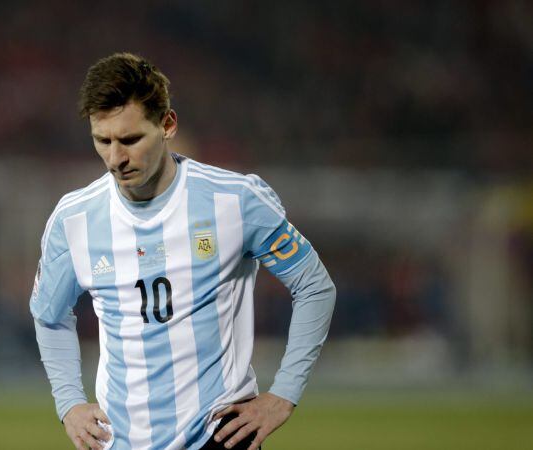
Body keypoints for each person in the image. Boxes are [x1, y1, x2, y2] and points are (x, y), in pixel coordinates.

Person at [30, 52, 336, 450]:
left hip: (219, 435)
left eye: (130, 139)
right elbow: (48, 315)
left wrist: (284, 395)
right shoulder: (75, 220)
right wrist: (69, 402)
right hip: (121, 441)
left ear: (167, 124)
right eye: (101, 141)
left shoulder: (235, 201)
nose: (115, 159)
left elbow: (315, 286)